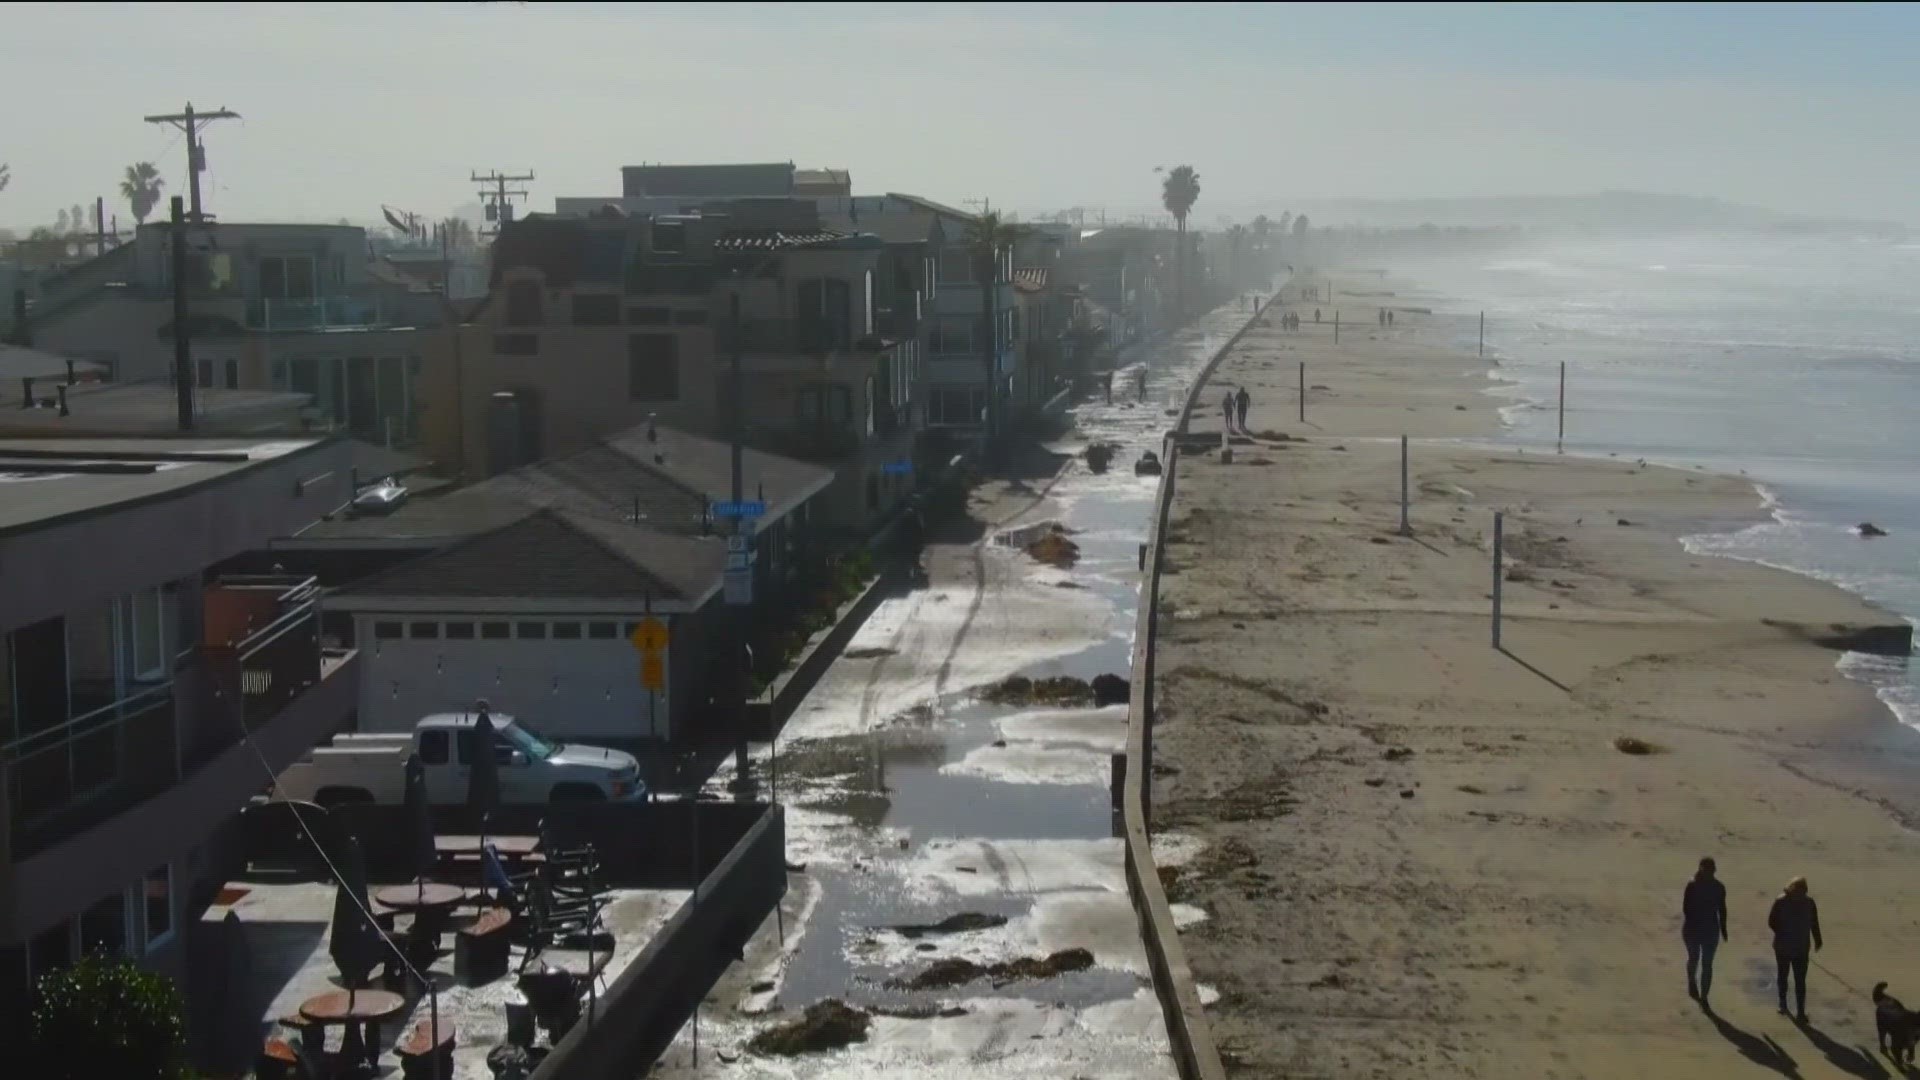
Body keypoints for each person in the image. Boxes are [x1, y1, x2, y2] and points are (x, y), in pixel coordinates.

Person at [1769, 876, 1822, 1021]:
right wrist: (1782, 932)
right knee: (1783, 976)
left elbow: (1814, 923)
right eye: (1797, 891)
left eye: (1803, 891)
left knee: (1800, 980)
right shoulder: (1781, 901)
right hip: (1783, 947)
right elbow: (1771, 921)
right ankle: (1782, 1004)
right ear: (1791, 889)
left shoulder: (1809, 903)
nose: (1800, 894)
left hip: (1801, 948)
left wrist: (1818, 940)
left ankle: (1800, 1011)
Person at [1682, 857, 1728, 1008]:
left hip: (1708, 929)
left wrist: (1723, 928)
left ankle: (1704, 997)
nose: (1710, 873)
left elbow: (1722, 909)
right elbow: (1686, 908)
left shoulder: (1719, 887)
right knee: (1694, 958)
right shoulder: (1692, 885)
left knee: (1707, 964)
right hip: (1695, 928)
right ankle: (1692, 982)